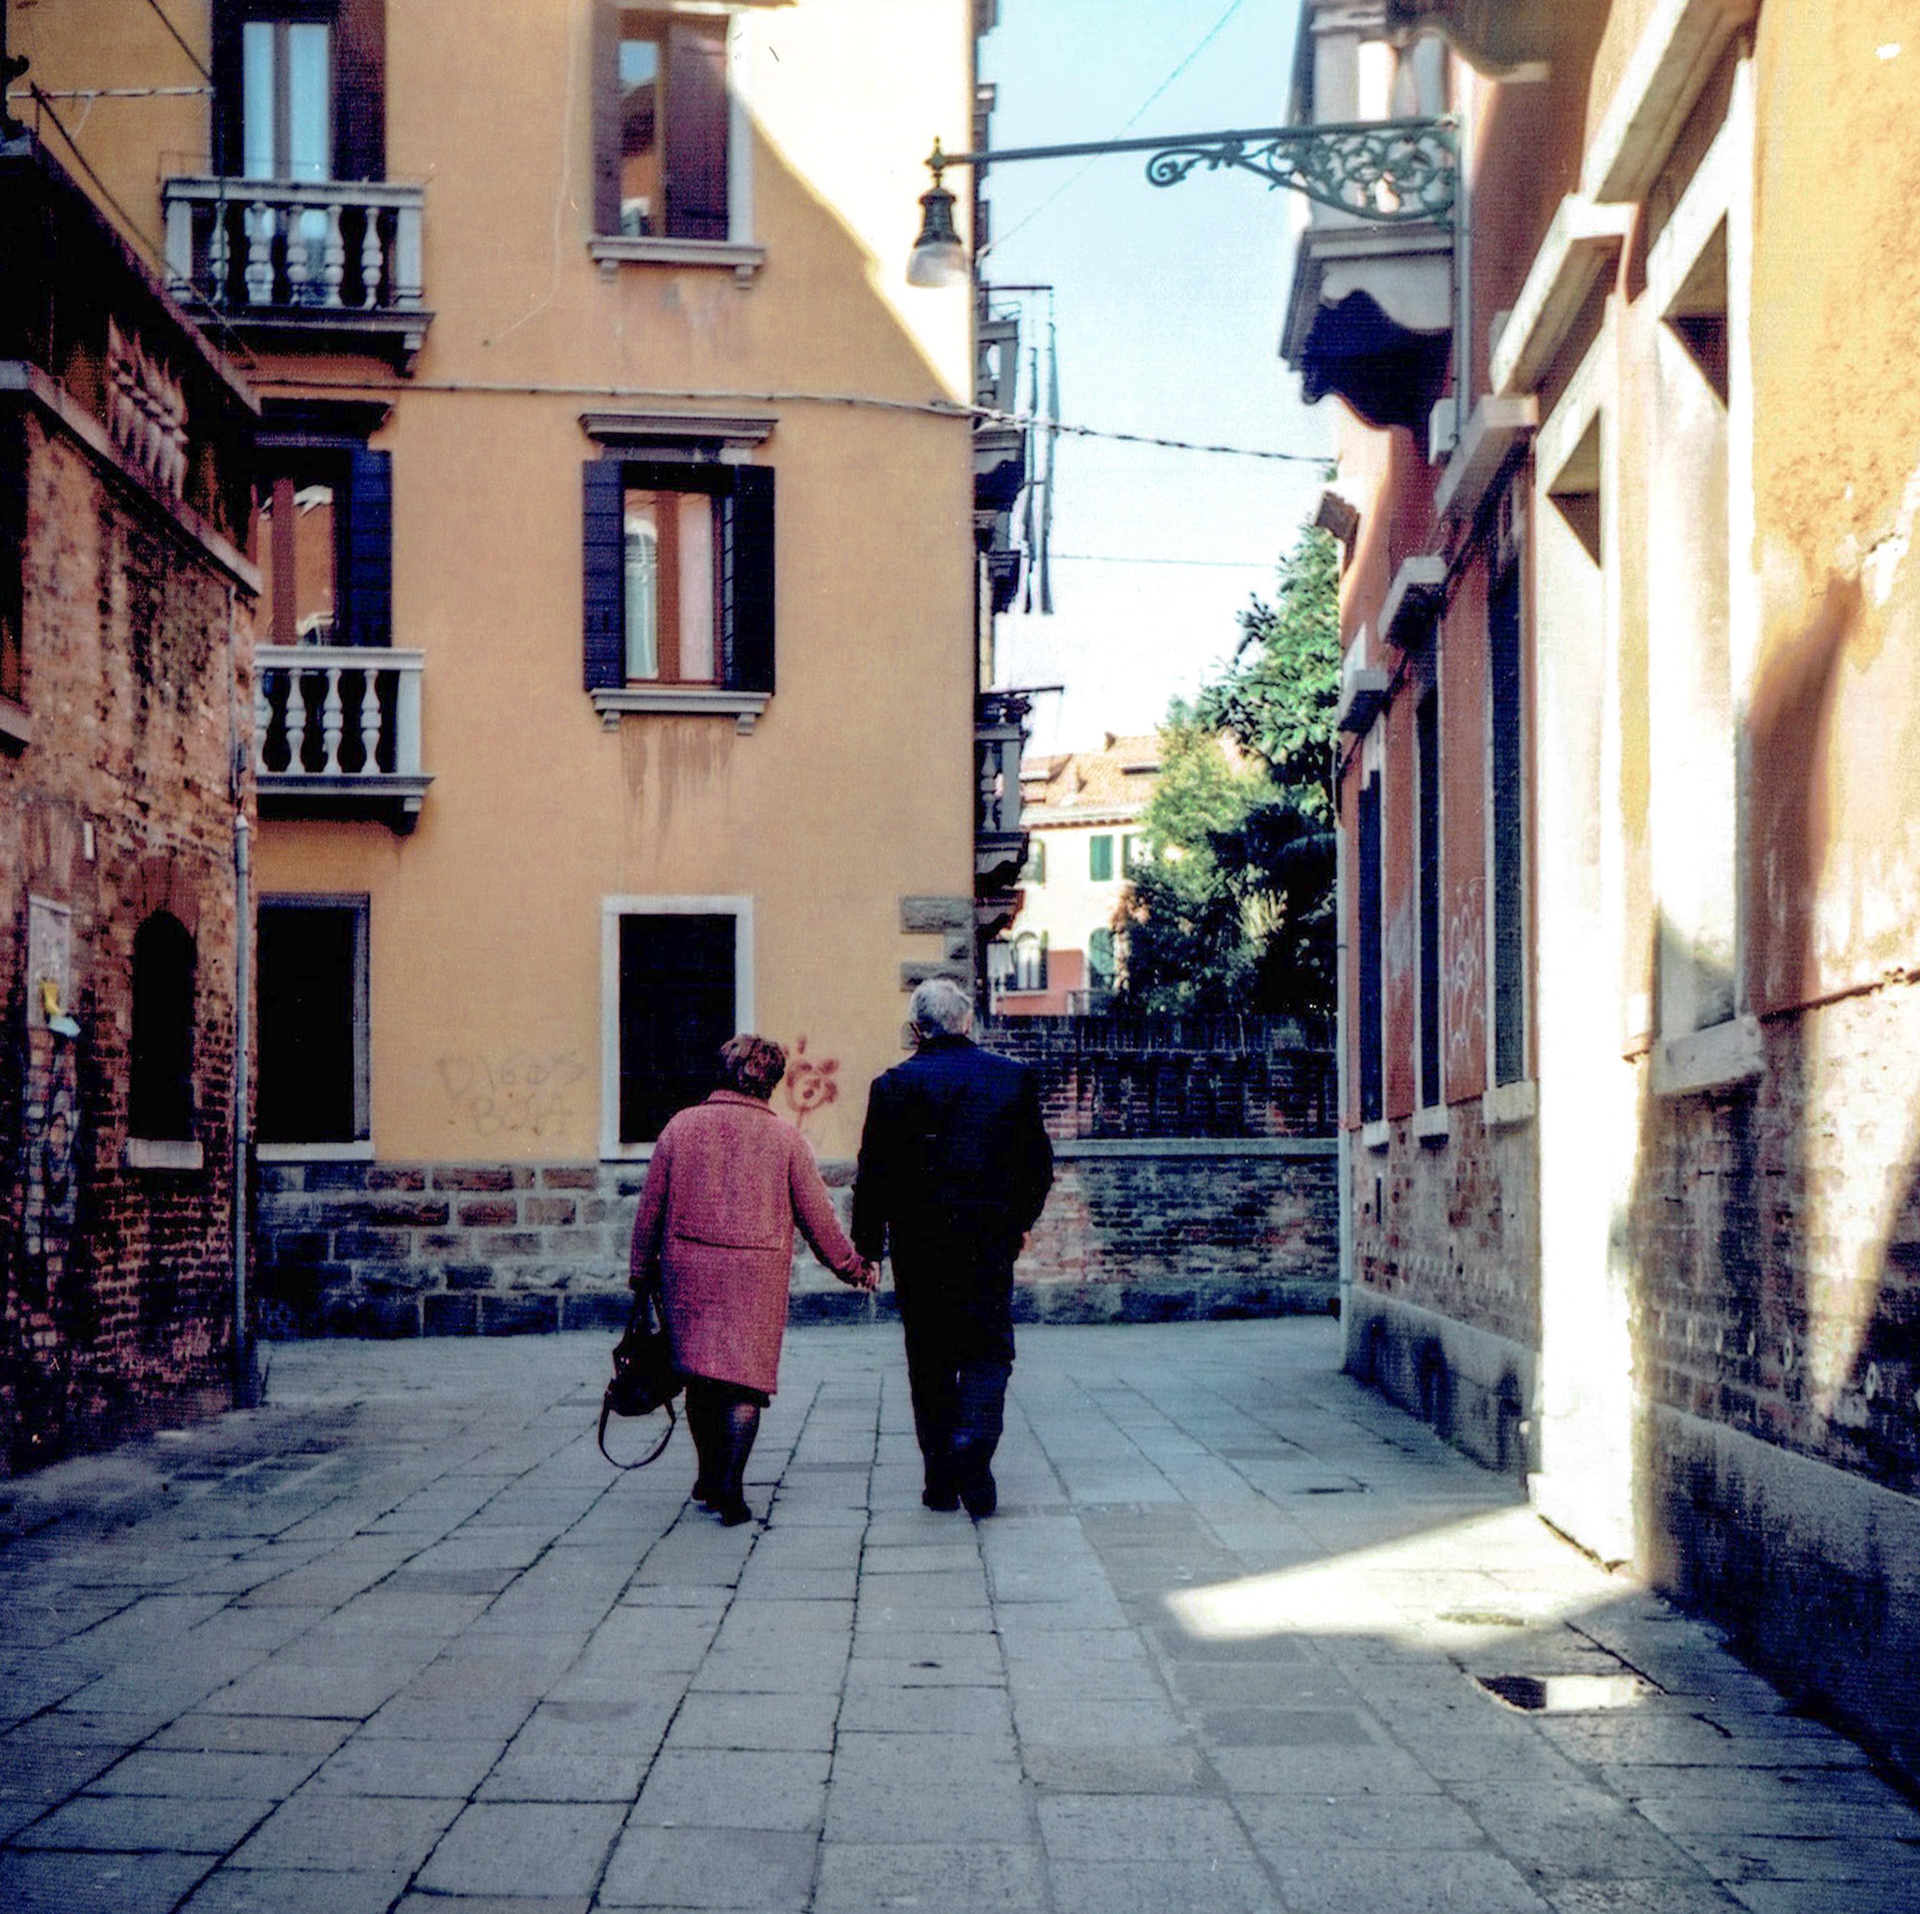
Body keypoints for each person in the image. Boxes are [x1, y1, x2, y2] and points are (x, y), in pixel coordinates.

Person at [629, 1033, 875, 1526]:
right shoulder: (786, 1139)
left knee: (700, 1376)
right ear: (773, 1080)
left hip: (688, 1270)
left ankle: (707, 1475)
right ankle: (732, 1488)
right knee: (745, 1384)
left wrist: (639, 1272)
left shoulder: (681, 1127)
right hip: (755, 1275)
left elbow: (649, 1208)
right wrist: (852, 1266)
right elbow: (817, 1216)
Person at [853, 977, 1053, 1518]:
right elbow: (1037, 1167)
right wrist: (1019, 1220)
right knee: (989, 1351)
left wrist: (868, 1248)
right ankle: (973, 1446)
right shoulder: (1011, 1081)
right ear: (967, 1023)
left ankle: (941, 1480)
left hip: (919, 1249)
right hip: (987, 1244)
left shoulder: (893, 1086)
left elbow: (873, 1177)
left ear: (918, 1027)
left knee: (930, 1359)